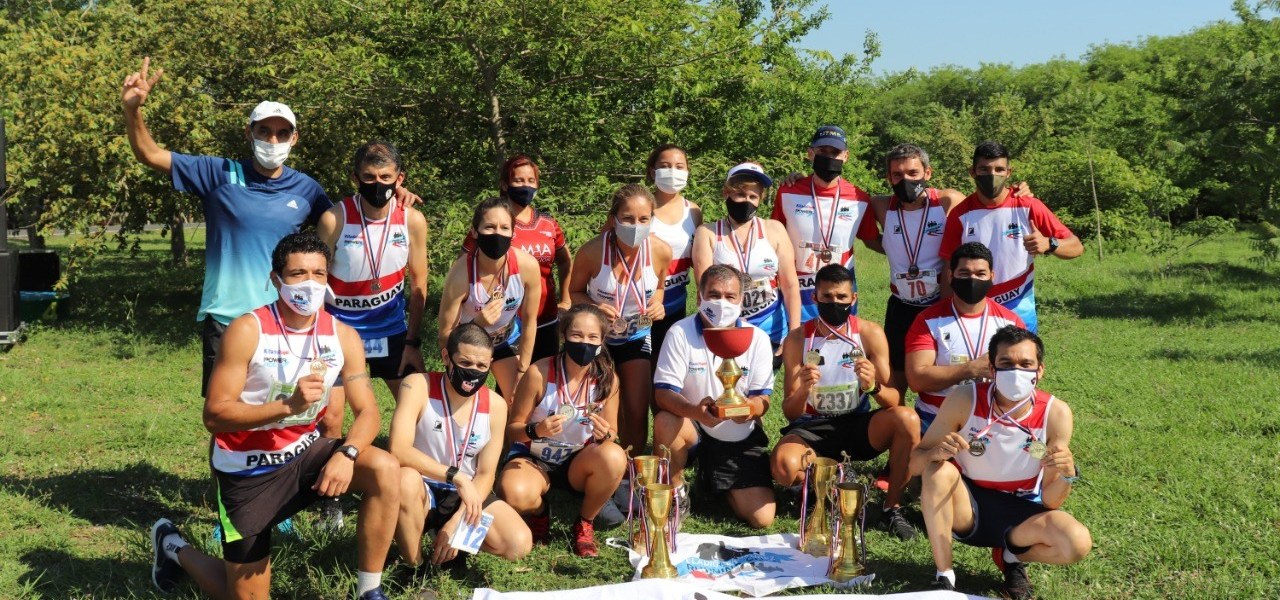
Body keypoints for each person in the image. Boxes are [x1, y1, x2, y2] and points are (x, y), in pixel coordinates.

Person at [120, 57, 419, 398]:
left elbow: (351, 218)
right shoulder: (217, 173)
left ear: (294, 138)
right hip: (227, 314)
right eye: (264, 130)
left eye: (282, 132)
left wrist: (392, 194)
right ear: (249, 132)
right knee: (227, 408)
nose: (272, 139)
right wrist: (133, 112)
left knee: (283, 407)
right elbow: (150, 154)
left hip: (286, 316)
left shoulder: (307, 189)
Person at [147, 232, 401, 600]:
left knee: (384, 468)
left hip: (305, 453)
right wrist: (287, 407)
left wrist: (347, 455)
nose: (310, 283)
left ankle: (369, 592)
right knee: (246, 597)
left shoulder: (343, 336)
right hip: (246, 469)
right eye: (298, 273)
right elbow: (215, 415)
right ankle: (174, 548)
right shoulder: (247, 330)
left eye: (318, 273)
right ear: (276, 280)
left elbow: (369, 413)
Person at [910, 326, 1090, 597]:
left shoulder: (1056, 413)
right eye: (1006, 364)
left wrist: (1066, 475)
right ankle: (944, 576)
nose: (1016, 371)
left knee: (1077, 543)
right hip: (968, 508)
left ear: (1039, 370)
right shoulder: (964, 399)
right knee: (938, 471)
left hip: (1023, 514)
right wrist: (935, 454)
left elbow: (1052, 501)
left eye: (1026, 364)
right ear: (992, 370)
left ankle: (1011, 557)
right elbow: (914, 463)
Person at [771, 264, 919, 540]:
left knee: (908, 419)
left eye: (841, 297)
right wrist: (803, 389)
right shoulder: (798, 339)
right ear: (814, 298)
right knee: (783, 466)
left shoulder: (869, 334)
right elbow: (790, 412)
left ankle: (892, 508)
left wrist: (872, 386)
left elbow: (895, 399)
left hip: (857, 424)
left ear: (854, 298)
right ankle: (828, 488)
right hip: (814, 427)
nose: (834, 304)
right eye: (827, 297)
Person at [389, 323, 532, 577]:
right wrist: (454, 475)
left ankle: (452, 538)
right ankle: (415, 566)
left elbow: (487, 473)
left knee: (518, 544)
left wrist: (459, 521)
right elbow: (398, 450)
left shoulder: (496, 405)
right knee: (404, 480)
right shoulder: (417, 385)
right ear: (446, 357)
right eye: (465, 363)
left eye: (481, 367)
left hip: (467, 493)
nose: (473, 373)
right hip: (423, 486)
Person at [651, 265, 777, 528]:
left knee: (761, 519)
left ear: (741, 301)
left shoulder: (758, 339)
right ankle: (675, 492)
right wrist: (695, 411)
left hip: (737, 435)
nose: (722, 303)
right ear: (699, 297)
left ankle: (713, 480)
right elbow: (663, 393)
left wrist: (750, 410)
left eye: (730, 297)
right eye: (714, 294)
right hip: (692, 426)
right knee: (665, 421)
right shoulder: (680, 332)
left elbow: (762, 398)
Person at [498, 305, 627, 557]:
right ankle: (539, 512)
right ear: (564, 336)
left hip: (578, 461)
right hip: (534, 458)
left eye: (592, 338)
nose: (584, 343)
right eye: (577, 336)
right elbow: (513, 430)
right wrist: (537, 430)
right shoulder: (539, 373)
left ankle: (585, 522)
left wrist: (605, 434)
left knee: (614, 456)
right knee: (513, 494)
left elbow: (613, 434)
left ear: (602, 341)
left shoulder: (607, 379)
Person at [317, 140, 429, 415]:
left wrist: (412, 342)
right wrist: (317, 338)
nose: (377, 183)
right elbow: (316, 282)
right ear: (355, 177)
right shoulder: (334, 219)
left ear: (399, 178)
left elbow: (419, 283)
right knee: (331, 418)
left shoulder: (411, 220)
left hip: (390, 329)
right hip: (340, 330)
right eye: (368, 177)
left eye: (385, 177)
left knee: (420, 411)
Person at [569, 184, 672, 455]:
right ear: (613, 219)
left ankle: (632, 469)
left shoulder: (661, 251)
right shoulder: (592, 252)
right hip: (597, 339)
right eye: (627, 219)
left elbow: (659, 288)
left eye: (643, 219)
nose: (635, 226)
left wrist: (658, 304)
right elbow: (573, 292)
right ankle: (594, 461)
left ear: (652, 219)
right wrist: (595, 307)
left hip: (636, 336)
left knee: (637, 411)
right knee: (598, 408)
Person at [939, 141, 1083, 333]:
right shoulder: (959, 215)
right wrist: (945, 314)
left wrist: (1050, 243)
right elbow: (949, 267)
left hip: (1019, 308)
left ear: (1009, 172)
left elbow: (1076, 247)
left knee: (1019, 362)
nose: (992, 175)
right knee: (976, 363)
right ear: (972, 172)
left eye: (999, 169)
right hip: (974, 308)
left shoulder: (1028, 206)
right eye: (984, 169)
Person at [905, 242, 1025, 434]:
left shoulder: (1010, 321)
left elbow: (1022, 378)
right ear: (951, 276)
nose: (972, 279)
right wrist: (970, 369)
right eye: (964, 273)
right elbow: (917, 379)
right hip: (936, 418)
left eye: (980, 274)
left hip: (990, 419)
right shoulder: (927, 320)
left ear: (992, 277)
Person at [463, 155, 573, 364]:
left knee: (543, 383)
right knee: (512, 388)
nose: (526, 186)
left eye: (531, 181)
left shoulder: (548, 224)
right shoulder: (492, 223)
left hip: (546, 318)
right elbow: (465, 266)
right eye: (519, 181)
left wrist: (566, 299)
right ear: (505, 184)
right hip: (506, 321)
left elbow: (565, 261)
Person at [692, 162, 801, 368]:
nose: (747, 201)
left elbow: (790, 285)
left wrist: (794, 333)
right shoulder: (707, 233)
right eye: (741, 195)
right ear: (726, 193)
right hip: (726, 327)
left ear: (761, 199)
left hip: (771, 329)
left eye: (753, 197)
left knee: (760, 395)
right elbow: (704, 290)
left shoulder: (774, 229)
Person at [772, 125, 880, 321]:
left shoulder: (860, 198)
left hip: (839, 292)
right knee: (797, 347)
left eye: (835, 152)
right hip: (797, 290)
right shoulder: (788, 191)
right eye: (823, 151)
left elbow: (871, 239)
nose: (829, 157)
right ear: (811, 153)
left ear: (846, 156)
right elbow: (773, 240)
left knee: (839, 347)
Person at [438, 199, 541, 398]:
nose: (497, 234)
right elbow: (444, 335)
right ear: (475, 231)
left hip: (506, 340)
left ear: (513, 232)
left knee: (519, 399)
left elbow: (530, 322)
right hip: (468, 345)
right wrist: (477, 324)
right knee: (463, 396)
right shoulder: (460, 274)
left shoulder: (527, 266)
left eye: (504, 228)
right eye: (489, 227)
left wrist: (522, 369)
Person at [646, 144, 703, 357]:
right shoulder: (639, 205)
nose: (673, 171)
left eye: (679, 166)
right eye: (665, 166)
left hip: (676, 305)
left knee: (668, 367)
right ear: (653, 171)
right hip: (642, 306)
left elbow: (698, 257)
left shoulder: (694, 211)